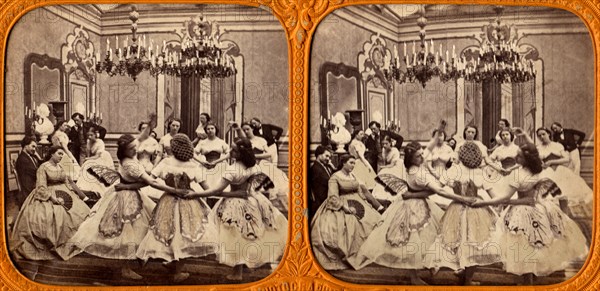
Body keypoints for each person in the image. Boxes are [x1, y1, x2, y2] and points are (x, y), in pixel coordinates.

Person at [59, 133, 191, 280]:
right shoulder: (129, 163)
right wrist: (175, 190)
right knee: (126, 232)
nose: (135, 150)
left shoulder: (127, 159)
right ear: (124, 150)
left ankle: (142, 258)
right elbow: (150, 182)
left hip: (131, 192)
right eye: (131, 148)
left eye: (135, 147)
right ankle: (125, 268)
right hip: (126, 197)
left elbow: (146, 180)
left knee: (144, 226)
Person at [350, 139, 473, 285]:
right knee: (413, 241)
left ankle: (432, 264)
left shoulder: (415, 166)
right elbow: (438, 191)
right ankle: (414, 276)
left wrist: (438, 133)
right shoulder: (417, 173)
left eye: (422, 154)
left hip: (419, 202)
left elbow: (427, 159)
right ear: (411, 158)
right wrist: (461, 198)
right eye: (418, 156)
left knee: (431, 235)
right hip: (413, 208)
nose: (422, 157)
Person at [471, 142, 589, 285]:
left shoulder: (519, 174)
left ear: (527, 159)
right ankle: (531, 279)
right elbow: (549, 196)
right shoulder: (540, 172)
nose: (516, 157)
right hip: (540, 208)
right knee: (535, 246)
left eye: (519, 156)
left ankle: (528, 281)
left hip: (523, 213)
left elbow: (506, 198)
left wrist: (485, 202)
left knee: (524, 246)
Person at [185, 137, 288, 281]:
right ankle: (243, 265)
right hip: (252, 200)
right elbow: (246, 191)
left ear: (240, 153)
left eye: (234, 149)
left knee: (236, 237)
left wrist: (196, 194)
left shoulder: (232, 169)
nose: (230, 151)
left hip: (235, 204)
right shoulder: (253, 166)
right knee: (248, 233)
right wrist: (237, 193)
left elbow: (215, 191)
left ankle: (237, 273)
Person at [136, 134, 218, 282]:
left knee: (166, 230)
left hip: (167, 199)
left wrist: (169, 187)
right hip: (188, 201)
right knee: (186, 234)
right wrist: (195, 194)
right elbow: (206, 188)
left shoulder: (166, 162)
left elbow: (153, 179)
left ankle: (165, 261)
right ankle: (177, 271)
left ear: (173, 148)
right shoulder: (193, 165)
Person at [427, 142, 501, 285]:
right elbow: (494, 195)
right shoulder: (480, 173)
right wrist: (495, 205)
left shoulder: (453, 171)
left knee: (450, 240)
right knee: (475, 244)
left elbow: (438, 188)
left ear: (460, 155)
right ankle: (467, 279)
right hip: (476, 210)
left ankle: (437, 264)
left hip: (456, 208)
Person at [10, 146, 90, 260]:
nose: (61, 156)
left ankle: (77, 241)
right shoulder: (43, 167)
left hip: (65, 193)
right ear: (52, 154)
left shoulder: (60, 166)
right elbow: (41, 187)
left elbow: (66, 182)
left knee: (81, 212)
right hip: (48, 193)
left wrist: (74, 194)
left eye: (62, 154)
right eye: (59, 154)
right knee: (55, 215)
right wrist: (52, 198)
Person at [311, 154, 383, 270]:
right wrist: (344, 207)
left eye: (354, 163)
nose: (353, 166)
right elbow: (333, 197)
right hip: (342, 204)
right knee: (351, 225)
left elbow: (360, 191)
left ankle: (371, 252)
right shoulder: (335, 177)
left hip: (358, 203)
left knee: (373, 221)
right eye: (351, 163)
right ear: (343, 163)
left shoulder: (353, 176)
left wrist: (366, 203)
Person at [76, 127, 115, 196]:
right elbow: (88, 154)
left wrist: (88, 159)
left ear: (95, 135)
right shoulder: (88, 142)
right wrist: (87, 159)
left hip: (101, 158)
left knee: (90, 165)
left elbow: (98, 156)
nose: (89, 137)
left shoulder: (100, 142)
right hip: (93, 158)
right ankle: (85, 186)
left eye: (91, 135)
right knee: (87, 164)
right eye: (88, 135)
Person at [371, 135, 405, 208]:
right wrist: (382, 168)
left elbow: (392, 164)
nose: (384, 145)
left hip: (396, 166)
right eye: (383, 144)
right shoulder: (384, 150)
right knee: (382, 174)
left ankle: (390, 196)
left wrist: (383, 168)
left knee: (386, 174)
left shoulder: (395, 150)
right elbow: (385, 162)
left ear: (390, 143)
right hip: (388, 166)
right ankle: (380, 196)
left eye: (386, 143)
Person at [14, 136, 41, 209]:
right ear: (25, 146)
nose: (34, 149)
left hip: (32, 184)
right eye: (33, 146)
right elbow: (36, 173)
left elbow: (38, 167)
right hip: (29, 190)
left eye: (35, 147)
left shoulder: (29, 156)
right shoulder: (23, 160)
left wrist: (37, 157)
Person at [309, 145, 335, 219]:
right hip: (321, 202)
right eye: (326, 156)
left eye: (329, 157)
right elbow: (318, 190)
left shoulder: (325, 167)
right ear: (319, 155)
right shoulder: (315, 169)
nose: (328, 159)